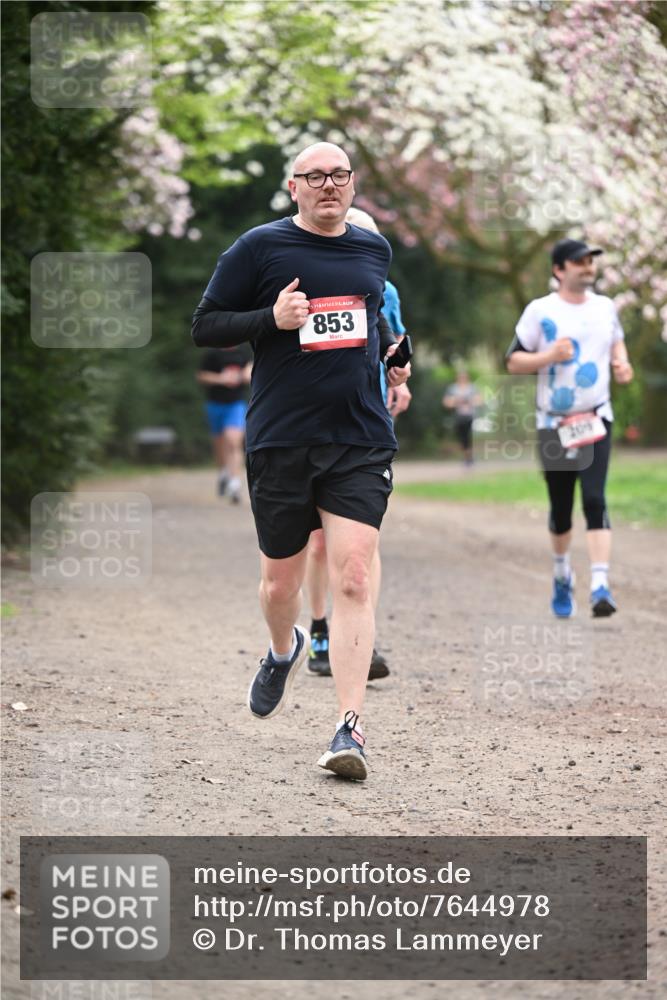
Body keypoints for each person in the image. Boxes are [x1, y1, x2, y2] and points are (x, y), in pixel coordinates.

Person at [191, 142, 411, 780]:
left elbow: (370, 324)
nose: (328, 186)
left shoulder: (374, 250)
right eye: (315, 177)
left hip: (360, 438)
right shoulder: (257, 248)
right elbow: (205, 325)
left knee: (352, 577)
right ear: (294, 187)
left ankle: (349, 730)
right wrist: (272, 318)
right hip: (282, 438)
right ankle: (281, 648)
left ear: (352, 184)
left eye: (339, 176)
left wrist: (393, 359)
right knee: (280, 586)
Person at [306, 205, 412, 680]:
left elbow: (397, 343)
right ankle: (319, 630)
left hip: (367, 423)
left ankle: (361, 636)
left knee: (363, 543)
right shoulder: (309, 284)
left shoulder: (385, 291)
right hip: (312, 424)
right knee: (315, 543)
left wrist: (401, 381)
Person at [506, 238, 634, 618]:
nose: (588, 266)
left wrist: (622, 364)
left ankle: (599, 585)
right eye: (579, 261)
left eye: (591, 260)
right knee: (561, 508)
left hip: (596, 417)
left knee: (594, 499)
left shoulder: (605, 307)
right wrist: (549, 356)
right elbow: (513, 361)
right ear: (559, 270)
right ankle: (563, 574)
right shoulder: (539, 310)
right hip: (554, 423)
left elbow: (617, 344)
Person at [197, 346, 252, 502]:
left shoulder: (243, 353)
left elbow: (249, 372)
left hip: (236, 404)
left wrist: (244, 375)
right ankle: (223, 473)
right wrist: (222, 379)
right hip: (215, 404)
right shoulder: (212, 354)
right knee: (219, 443)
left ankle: (234, 484)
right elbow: (202, 376)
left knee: (233, 441)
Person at [443, 370, 482, 465]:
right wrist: (456, 401)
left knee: (469, 436)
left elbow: (479, 400)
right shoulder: (453, 388)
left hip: (470, 416)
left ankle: (469, 457)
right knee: (462, 437)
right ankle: (467, 456)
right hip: (459, 416)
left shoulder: (472, 388)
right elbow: (446, 402)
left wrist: (469, 401)